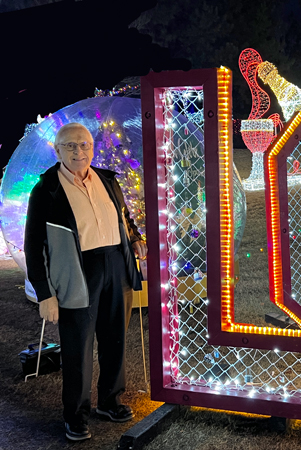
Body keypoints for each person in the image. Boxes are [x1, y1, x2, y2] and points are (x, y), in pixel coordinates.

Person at [24, 123, 147, 441]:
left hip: (116, 266)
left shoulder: (108, 179)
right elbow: (33, 245)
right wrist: (44, 293)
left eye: (84, 145)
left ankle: (110, 401)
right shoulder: (46, 190)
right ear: (57, 151)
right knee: (77, 347)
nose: (79, 151)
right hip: (77, 273)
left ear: (93, 147)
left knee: (115, 341)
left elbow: (123, 215)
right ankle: (75, 415)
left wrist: (133, 238)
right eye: (70, 146)